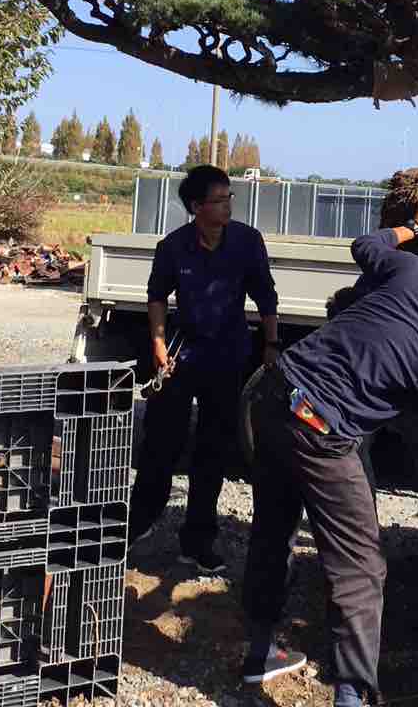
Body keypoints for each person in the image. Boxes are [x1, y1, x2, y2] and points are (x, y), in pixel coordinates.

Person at [240, 192, 418, 704]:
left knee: (273, 529)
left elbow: (364, 246)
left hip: (271, 393)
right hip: (320, 432)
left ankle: (259, 653)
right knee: (361, 565)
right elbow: (404, 405)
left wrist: (415, 228)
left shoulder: (415, 275)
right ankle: (352, 696)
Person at [128, 164, 279, 575]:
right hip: (180, 358)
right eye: (219, 199)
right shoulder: (173, 247)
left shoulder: (248, 241)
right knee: (161, 443)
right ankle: (137, 524)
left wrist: (271, 343)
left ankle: (197, 543)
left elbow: (266, 295)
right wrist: (158, 345)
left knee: (213, 453)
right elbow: (156, 296)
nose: (228, 205)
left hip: (228, 358)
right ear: (197, 206)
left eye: (230, 197)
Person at [326, 285, 418, 575]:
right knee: (357, 461)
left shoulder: (407, 294)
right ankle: (365, 543)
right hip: (363, 393)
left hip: (404, 384)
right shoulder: (359, 312)